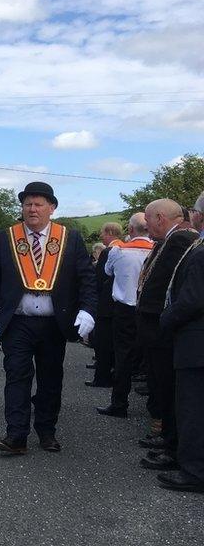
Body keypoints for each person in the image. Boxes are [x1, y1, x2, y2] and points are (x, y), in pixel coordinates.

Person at [0, 181, 96, 454]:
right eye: (27, 204)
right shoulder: (5, 237)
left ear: (52, 208)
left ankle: (47, 431)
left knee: (50, 379)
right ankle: (16, 435)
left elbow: (87, 279)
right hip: (17, 322)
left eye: (38, 204)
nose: (32, 209)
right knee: (16, 376)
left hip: (53, 323)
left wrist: (88, 310)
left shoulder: (71, 238)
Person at [132, 199, 199, 471]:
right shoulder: (169, 240)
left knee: (168, 386)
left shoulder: (182, 239)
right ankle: (167, 437)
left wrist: (162, 317)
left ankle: (171, 442)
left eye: (148, 221)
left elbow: (170, 285)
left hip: (162, 323)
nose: (146, 227)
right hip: (155, 320)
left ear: (160, 217)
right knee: (162, 383)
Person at [157, 191, 204, 492]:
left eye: (194, 210)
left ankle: (194, 471)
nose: (192, 215)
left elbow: (193, 299)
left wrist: (167, 318)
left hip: (196, 343)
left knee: (193, 408)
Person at [97, 213, 152, 418]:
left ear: (130, 230)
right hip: (148, 309)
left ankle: (120, 403)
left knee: (123, 357)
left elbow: (108, 272)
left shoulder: (119, 251)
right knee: (150, 357)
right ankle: (154, 410)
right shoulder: (157, 250)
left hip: (124, 309)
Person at [89, 222, 124, 388]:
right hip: (121, 303)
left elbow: (99, 278)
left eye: (102, 233)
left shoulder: (109, 252)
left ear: (110, 232)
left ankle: (102, 377)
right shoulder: (126, 248)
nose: (101, 237)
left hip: (106, 304)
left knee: (103, 343)